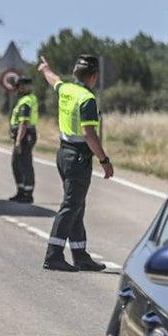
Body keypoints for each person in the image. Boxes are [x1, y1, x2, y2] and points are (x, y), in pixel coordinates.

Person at [37, 54, 114, 272]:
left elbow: (53, 80)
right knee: (71, 206)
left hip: (64, 154)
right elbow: (89, 134)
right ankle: (53, 255)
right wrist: (104, 160)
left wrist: (45, 68)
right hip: (79, 157)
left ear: (74, 74)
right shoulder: (87, 99)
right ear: (94, 76)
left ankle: (80, 255)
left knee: (76, 204)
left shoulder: (67, 89)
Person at [8, 76, 38, 203]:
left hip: (25, 136)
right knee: (17, 163)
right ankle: (21, 191)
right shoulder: (30, 99)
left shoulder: (25, 102)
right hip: (26, 135)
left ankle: (27, 193)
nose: (17, 90)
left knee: (24, 164)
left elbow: (23, 123)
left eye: (19, 87)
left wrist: (19, 141)